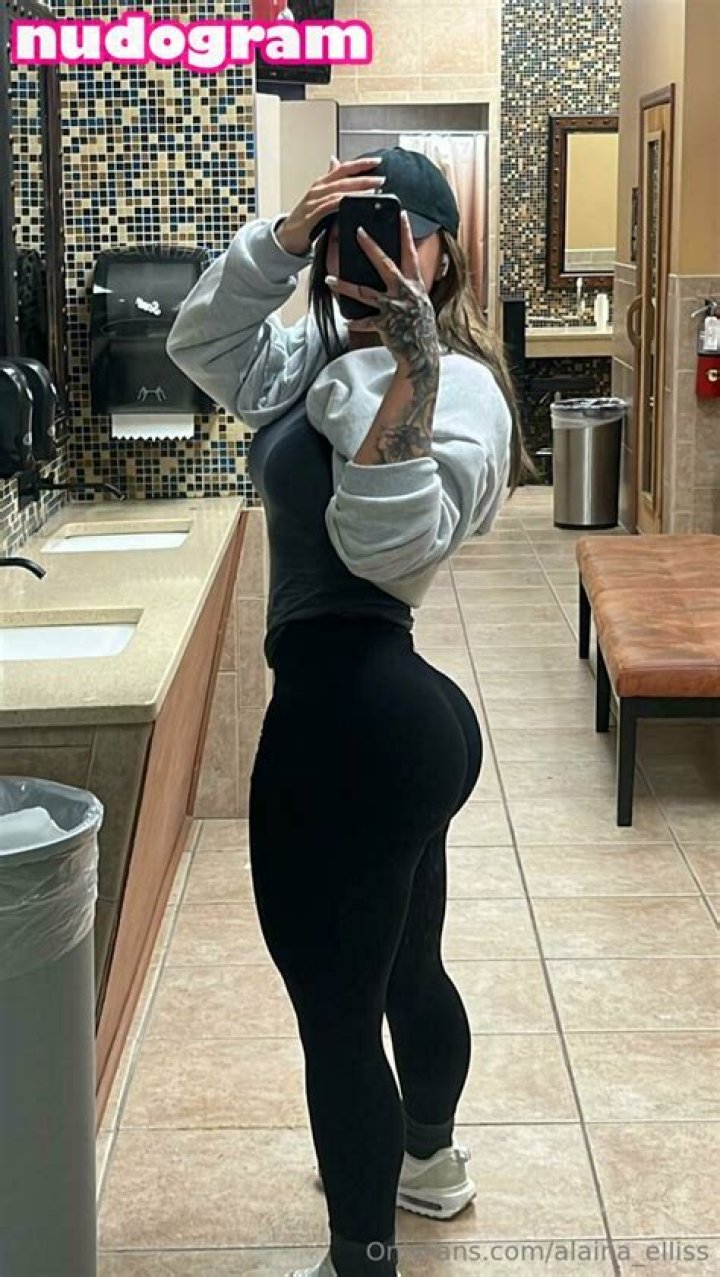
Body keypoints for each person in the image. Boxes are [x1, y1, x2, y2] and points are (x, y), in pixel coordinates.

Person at [167, 148, 524, 1277]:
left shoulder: (466, 388)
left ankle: (363, 1256)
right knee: (404, 964)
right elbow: (201, 345)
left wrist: (415, 371)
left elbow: (389, 548)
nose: (367, 253)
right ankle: (428, 1161)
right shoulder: (308, 355)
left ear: (444, 254)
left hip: (351, 718)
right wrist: (277, 243)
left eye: (399, 232)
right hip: (387, 719)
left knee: (337, 1012)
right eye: (345, 231)